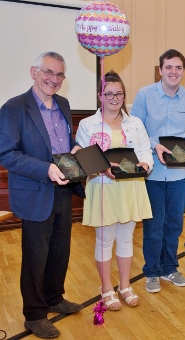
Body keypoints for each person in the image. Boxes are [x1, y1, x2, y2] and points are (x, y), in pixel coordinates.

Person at [0, 52, 83, 339]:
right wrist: (45, 168)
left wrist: (75, 153)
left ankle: (54, 297)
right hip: (36, 191)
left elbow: (65, 143)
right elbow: (7, 154)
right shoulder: (14, 107)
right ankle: (34, 314)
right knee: (36, 256)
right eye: (49, 72)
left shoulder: (63, 103)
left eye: (60, 74)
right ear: (33, 71)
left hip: (63, 187)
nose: (54, 79)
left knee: (60, 251)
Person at [76, 71, 153, 310]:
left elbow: (146, 153)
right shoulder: (87, 125)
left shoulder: (135, 123)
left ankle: (125, 285)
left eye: (118, 93)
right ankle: (106, 288)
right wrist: (102, 168)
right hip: (103, 189)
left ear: (123, 95)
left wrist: (145, 165)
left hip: (131, 188)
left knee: (126, 239)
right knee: (104, 241)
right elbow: (83, 158)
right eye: (108, 93)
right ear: (100, 96)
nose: (114, 97)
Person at [132, 49, 185, 292]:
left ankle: (170, 268)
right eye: (169, 67)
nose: (174, 72)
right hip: (153, 173)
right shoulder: (145, 95)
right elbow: (135, 130)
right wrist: (155, 145)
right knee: (154, 225)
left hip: (179, 174)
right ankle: (151, 271)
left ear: (183, 70)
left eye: (178, 67)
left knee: (174, 225)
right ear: (160, 70)